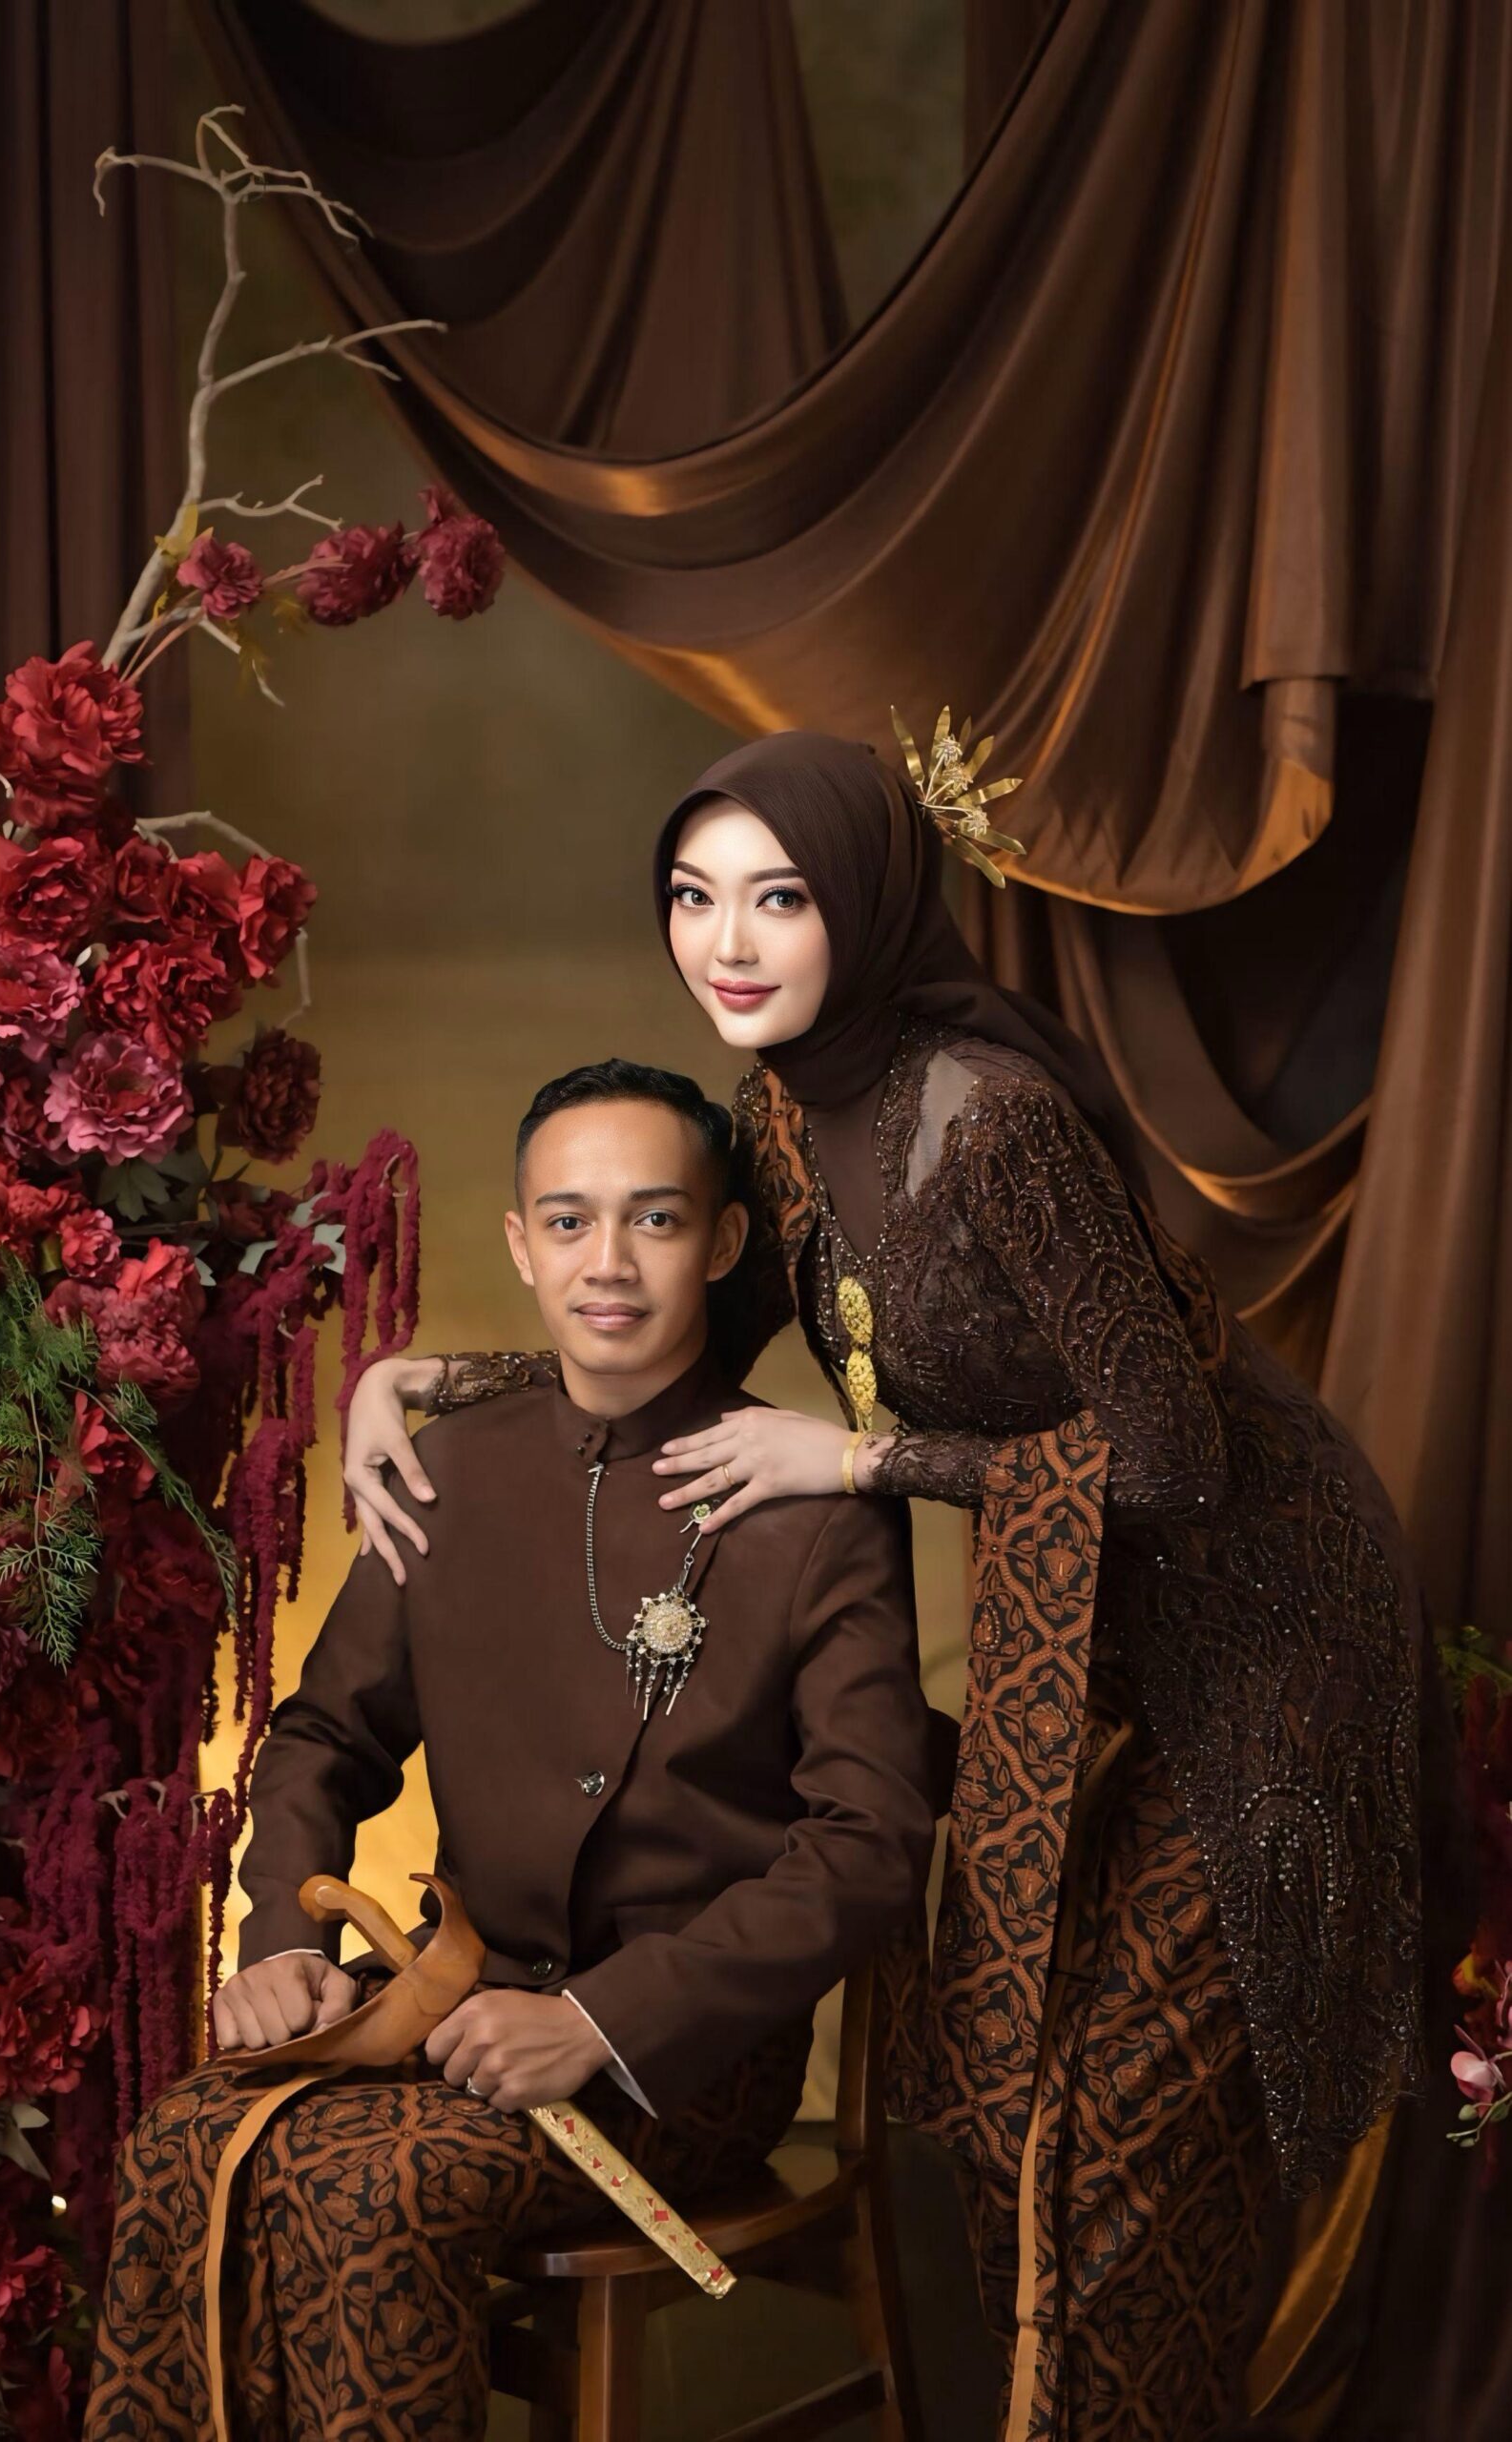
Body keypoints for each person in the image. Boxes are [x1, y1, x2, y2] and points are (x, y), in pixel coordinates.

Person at [343, 733, 1430, 2442]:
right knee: (1024, 2109)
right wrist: (417, 1380)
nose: (727, 943)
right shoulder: (784, 1112)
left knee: (1129, 2125)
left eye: (777, 898)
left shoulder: (989, 1120)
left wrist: (861, 1462)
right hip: (1086, 1641)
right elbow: (675, 1336)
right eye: (693, 897)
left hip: (1274, 1633)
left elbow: (1173, 1459)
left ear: (861, 901)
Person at [85, 1056, 937, 2442]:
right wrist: (281, 1944)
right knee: (186, 2142)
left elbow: (870, 1844)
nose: (609, 1263)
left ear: (723, 1242)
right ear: (521, 1244)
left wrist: (601, 2022)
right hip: (451, 1994)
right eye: (569, 1220)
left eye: (655, 1219)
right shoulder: (456, 1464)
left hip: (683, 2050)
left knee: (363, 2191)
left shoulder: (816, 1500)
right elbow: (323, 1735)